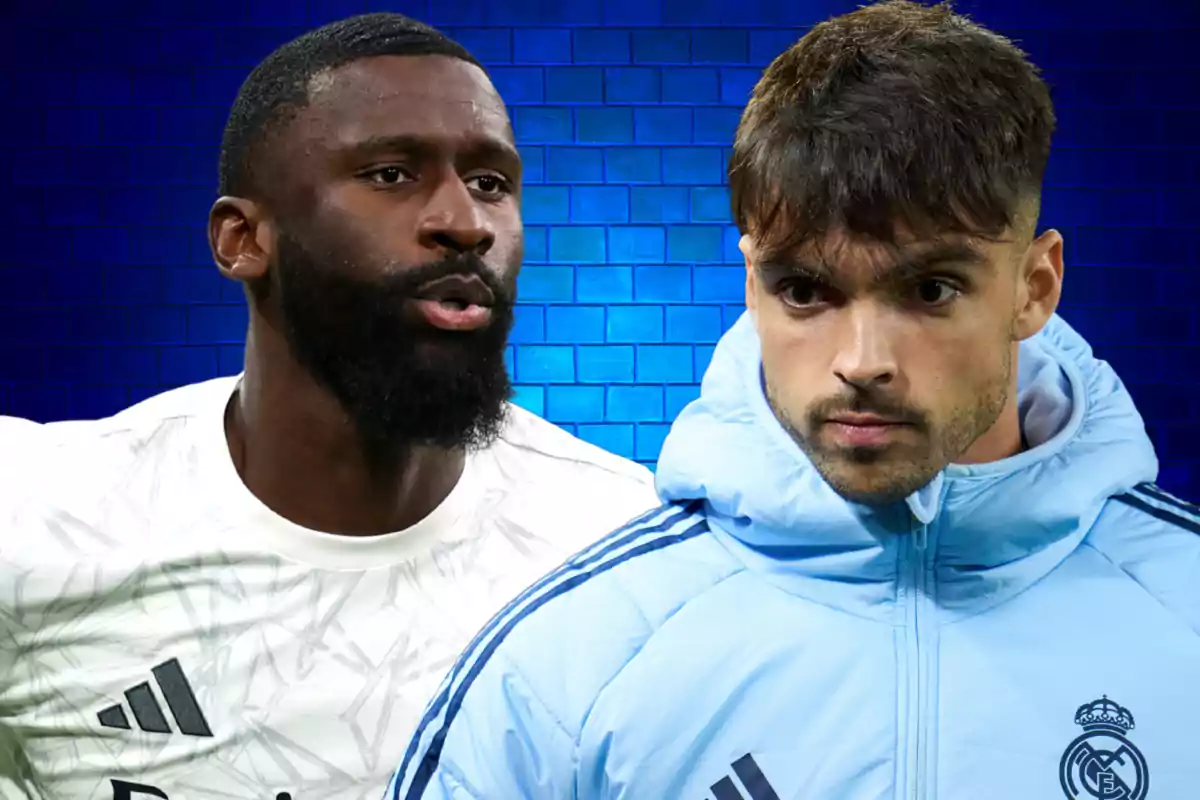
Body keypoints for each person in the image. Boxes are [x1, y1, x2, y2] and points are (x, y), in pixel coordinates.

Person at [387, 3, 1200, 799]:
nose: (861, 363)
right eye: (807, 290)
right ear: (752, 285)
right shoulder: (571, 665)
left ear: (1035, 286)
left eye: (930, 289)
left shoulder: (1181, 608)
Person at [0, 13, 660, 800]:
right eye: (390, 174)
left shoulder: (623, 552)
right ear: (242, 239)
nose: (464, 222)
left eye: (491, 183)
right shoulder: (38, 519)